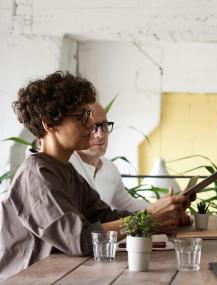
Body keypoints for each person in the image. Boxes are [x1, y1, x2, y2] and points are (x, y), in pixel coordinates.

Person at [0, 72, 188, 281]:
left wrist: (161, 217)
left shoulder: (65, 169)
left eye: (89, 114)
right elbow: (81, 239)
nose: (91, 124)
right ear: (49, 124)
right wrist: (148, 218)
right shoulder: (37, 175)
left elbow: (105, 218)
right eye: (82, 116)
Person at [69, 102, 192, 224]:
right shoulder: (68, 167)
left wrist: (166, 209)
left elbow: (129, 204)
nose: (100, 134)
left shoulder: (110, 168)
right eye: (92, 127)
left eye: (104, 126)